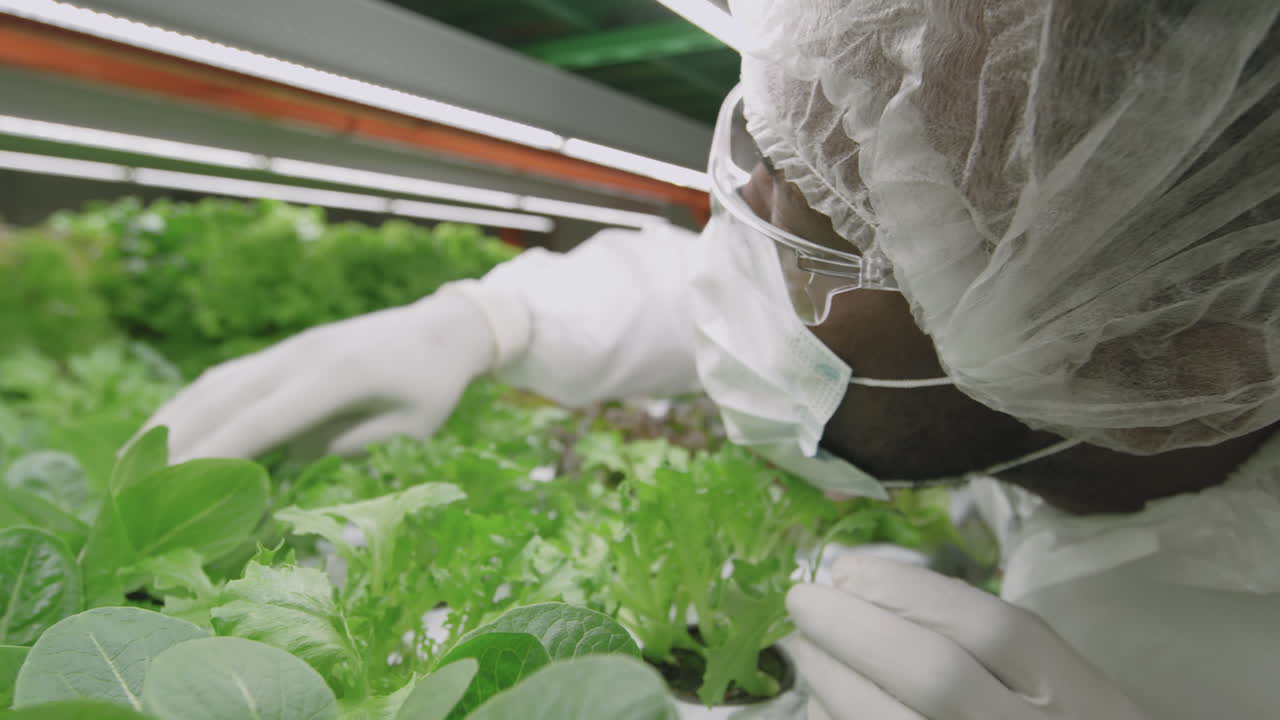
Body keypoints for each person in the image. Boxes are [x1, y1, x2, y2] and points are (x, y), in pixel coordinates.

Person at [143, 1, 1280, 718]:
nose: (733, 268)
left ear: (1157, 362)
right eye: (766, 166)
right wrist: (497, 318)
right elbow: (841, 334)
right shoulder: (1088, 388)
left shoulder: (1194, 671)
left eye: (815, 254)